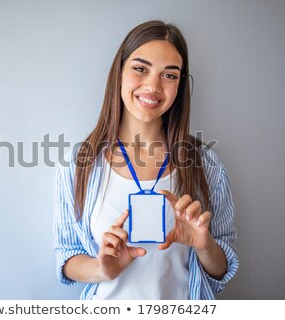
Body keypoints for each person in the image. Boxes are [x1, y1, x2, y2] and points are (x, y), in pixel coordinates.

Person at [53, 20, 238, 300]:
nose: (153, 86)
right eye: (140, 68)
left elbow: (222, 268)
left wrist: (204, 245)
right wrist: (102, 269)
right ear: (119, 73)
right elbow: (66, 257)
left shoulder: (206, 164)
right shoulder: (80, 163)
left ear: (180, 85)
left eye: (170, 75)